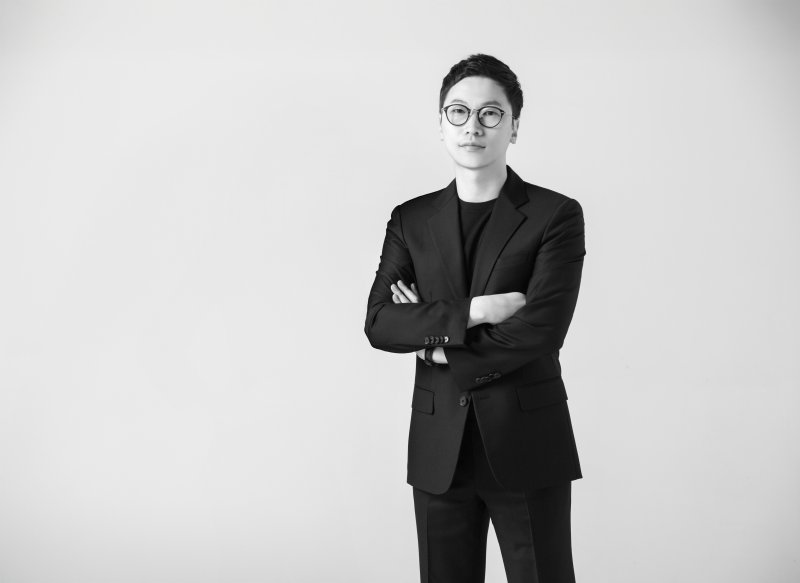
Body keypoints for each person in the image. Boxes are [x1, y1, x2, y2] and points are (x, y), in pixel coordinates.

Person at [364, 53, 586, 583]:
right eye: (458, 112)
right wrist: (475, 311)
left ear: (514, 127)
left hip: (527, 443)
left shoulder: (555, 215)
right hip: (439, 448)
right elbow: (380, 322)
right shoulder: (411, 219)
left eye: (490, 113)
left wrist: (437, 344)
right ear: (441, 125)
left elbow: (540, 330)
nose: (473, 127)